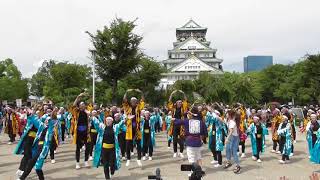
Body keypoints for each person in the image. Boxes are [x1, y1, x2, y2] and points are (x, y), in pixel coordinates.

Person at [18, 107, 58, 180]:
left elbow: (53, 119)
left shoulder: (51, 128)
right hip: (37, 147)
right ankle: (22, 178)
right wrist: (30, 111)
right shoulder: (41, 126)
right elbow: (33, 118)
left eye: (48, 120)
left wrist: (53, 112)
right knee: (34, 166)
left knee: (35, 166)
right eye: (46, 120)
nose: (47, 121)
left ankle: (22, 178)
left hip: (43, 148)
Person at [122, 89, 145, 167]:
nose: (133, 102)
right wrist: (126, 92)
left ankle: (139, 159)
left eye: (135, 101)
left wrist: (141, 92)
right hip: (129, 128)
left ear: (136, 102)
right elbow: (124, 99)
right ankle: (128, 159)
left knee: (138, 144)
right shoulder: (127, 107)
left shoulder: (138, 107)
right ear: (130, 102)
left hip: (137, 128)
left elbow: (143, 100)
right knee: (128, 145)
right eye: (132, 101)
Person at [70, 92, 91, 169]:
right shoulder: (77, 111)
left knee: (88, 147)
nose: (82, 105)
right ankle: (77, 163)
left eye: (83, 104)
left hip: (86, 132)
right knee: (78, 148)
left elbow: (91, 106)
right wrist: (78, 97)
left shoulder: (87, 111)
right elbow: (73, 105)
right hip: (78, 131)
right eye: (81, 104)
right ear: (79, 106)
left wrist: (88, 96)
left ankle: (86, 161)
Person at [167, 90, 188, 158]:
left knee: (182, 139)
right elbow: (169, 101)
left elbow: (185, 100)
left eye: (180, 102)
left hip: (181, 126)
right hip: (174, 125)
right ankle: (175, 152)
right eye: (178, 102)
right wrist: (172, 94)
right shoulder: (173, 108)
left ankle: (181, 152)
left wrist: (183, 93)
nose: (179, 103)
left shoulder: (183, 107)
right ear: (176, 103)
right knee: (175, 139)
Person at [224, 109, 241, 174]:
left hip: (234, 138)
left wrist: (227, 139)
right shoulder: (229, 120)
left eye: (227, 114)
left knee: (234, 152)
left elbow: (230, 131)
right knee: (227, 149)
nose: (226, 114)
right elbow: (222, 120)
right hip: (231, 137)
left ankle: (238, 165)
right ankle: (229, 162)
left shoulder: (232, 122)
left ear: (230, 115)